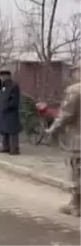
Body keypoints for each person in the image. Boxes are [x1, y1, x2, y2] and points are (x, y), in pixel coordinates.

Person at [45, 62, 81, 216]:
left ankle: (76, 204)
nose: (73, 74)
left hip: (77, 138)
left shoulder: (75, 91)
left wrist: (53, 129)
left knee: (76, 170)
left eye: (75, 71)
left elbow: (66, 114)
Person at [0, 70, 21, 155]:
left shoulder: (14, 86)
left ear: (7, 76)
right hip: (3, 112)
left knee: (12, 131)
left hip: (11, 112)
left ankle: (14, 149)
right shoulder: (3, 86)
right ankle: (6, 147)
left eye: (3, 76)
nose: (1, 78)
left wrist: (7, 106)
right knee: (4, 130)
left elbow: (14, 100)